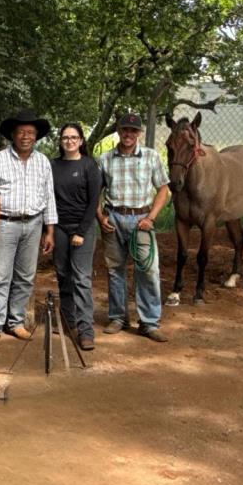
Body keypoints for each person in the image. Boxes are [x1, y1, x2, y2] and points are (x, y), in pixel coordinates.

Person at [0, 110, 57, 347]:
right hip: (5, 223)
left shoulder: (43, 161)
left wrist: (49, 230)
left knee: (25, 276)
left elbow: (49, 196)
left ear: (36, 137)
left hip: (33, 223)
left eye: (31, 132)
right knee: (0, 275)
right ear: (13, 135)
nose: (26, 136)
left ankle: (15, 322)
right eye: (22, 132)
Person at [97, 112, 171, 342]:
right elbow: (94, 193)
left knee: (147, 270)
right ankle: (118, 317)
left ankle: (149, 322)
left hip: (141, 220)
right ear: (119, 131)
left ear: (138, 133)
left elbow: (163, 190)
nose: (128, 134)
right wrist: (100, 217)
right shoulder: (105, 159)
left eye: (133, 131)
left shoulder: (151, 157)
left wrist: (151, 217)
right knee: (115, 270)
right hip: (113, 219)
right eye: (124, 130)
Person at [51, 122, 103, 350]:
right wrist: (51, 230)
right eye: (65, 138)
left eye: (74, 137)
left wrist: (81, 232)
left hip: (83, 228)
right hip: (59, 227)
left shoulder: (89, 166)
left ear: (81, 141)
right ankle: (67, 319)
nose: (69, 141)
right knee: (63, 274)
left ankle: (85, 330)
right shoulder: (53, 165)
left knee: (81, 278)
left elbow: (94, 202)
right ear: (61, 141)